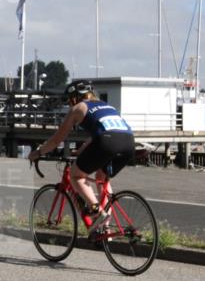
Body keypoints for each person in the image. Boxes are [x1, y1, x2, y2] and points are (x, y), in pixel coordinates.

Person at [27, 80, 135, 237]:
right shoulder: (107, 106)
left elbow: (57, 139)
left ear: (75, 97)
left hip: (106, 141)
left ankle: (97, 210)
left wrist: (39, 152)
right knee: (102, 177)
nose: (70, 103)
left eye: (70, 99)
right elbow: (105, 130)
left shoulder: (78, 108)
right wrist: (83, 150)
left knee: (76, 175)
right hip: (128, 142)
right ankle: (106, 226)